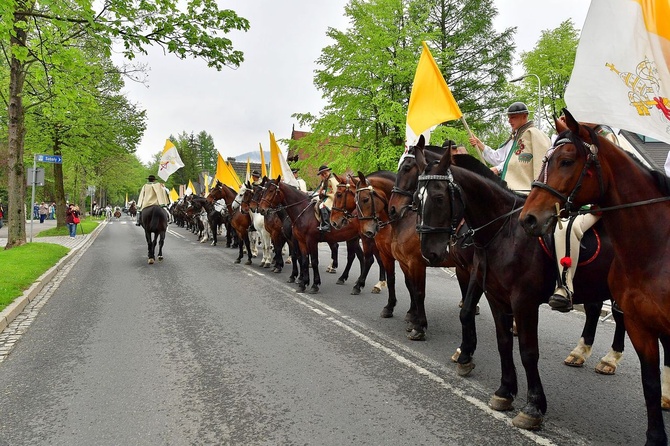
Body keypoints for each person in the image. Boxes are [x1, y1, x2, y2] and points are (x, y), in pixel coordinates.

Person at [468, 101, 550, 193]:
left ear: (524, 116)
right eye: (509, 117)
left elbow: (522, 162)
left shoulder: (534, 134)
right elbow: (499, 158)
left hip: (526, 191)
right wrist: (481, 145)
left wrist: (498, 169)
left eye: (513, 117)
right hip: (509, 190)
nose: (509, 121)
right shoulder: (513, 139)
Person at [315, 164, 339, 232]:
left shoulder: (332, 180)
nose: (324, 175)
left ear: (328, 171)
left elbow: (333, 190)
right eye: (322, 174)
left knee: (322, 205)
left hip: (333, 197)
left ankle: (326, 225)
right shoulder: (325, 180)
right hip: (327, 196)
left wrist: (323, 192)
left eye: (325, 173)